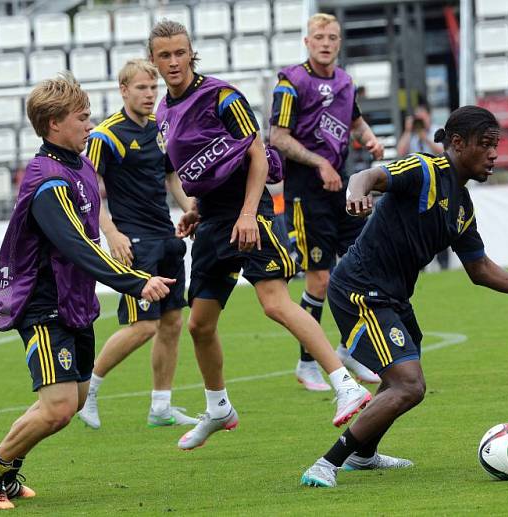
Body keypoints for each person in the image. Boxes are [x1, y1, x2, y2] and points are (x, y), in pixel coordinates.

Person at [300, 106, 508, 488]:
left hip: (394, 299)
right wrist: (356, 194)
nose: (494, 155)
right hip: (360, 292)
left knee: (398, 380)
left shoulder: (461, 208)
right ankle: (325, 464)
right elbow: (367, 176)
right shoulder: (424, 170)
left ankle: (363, 454)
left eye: (496, 146)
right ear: (457, 143)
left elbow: (481, 270)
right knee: (409, 384)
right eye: (485, 145)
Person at [147, 20, 371, 451]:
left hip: (249, 212)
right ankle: (218, 409)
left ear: (191, 53)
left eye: (179, 53)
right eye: (164, 55)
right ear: (154, 61)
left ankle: (344, 385)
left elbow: (257, 155)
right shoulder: (163, 114)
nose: (173, 62)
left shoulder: (221, 96)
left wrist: (249, 213)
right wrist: (194, 210)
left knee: (274, 302)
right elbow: (196, 169)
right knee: (199, 325)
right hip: (213, 219)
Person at [0, 73, 174, 510]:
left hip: (74, 302)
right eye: (83, 118)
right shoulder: (47, 180)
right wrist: (136, 283)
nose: (90, 124)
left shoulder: (79, 164)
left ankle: (6, 470)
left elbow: (90, 235)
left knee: (74, 400)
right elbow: (77, 245)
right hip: (43, 305)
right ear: (55, 123)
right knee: (59, 406)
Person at [77, 59, 196, 430]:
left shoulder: (161, 128)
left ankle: (161, 406)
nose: (149, 94)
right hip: (134, 242)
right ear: (123, 90)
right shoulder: (105, 136)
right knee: (143, 325)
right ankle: (87, 392)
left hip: (166, 236)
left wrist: (190, 208)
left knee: (173, 321)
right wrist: (111, 233)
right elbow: (88, 187)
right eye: (142, 88)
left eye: (153, 88)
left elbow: (171, 175)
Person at [269, 13, 384, 391]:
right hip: (306, 190)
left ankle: (350, 349)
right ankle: (308, 364)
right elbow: (278, 137)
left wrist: (370, 138)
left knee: (360, 267)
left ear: (339, 42)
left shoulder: (346, 81)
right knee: (319, 277)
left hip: (343, 186)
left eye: (332, 37)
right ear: (307, 41)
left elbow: (354, 121)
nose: (326, 42)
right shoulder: (291, 82)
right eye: (319, 36)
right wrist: (319, 162)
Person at [396, 102, 449, 270]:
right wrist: (407, 130)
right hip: (418, 187)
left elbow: (442, 151)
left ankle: (444, 264)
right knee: (417, 227)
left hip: (437, 184)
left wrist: (424, 135)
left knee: (440, 225)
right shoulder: (410, 136)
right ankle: (420, 265)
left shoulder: (436, 131)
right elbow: (400, 151)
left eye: (422, 116)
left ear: (429, 116)